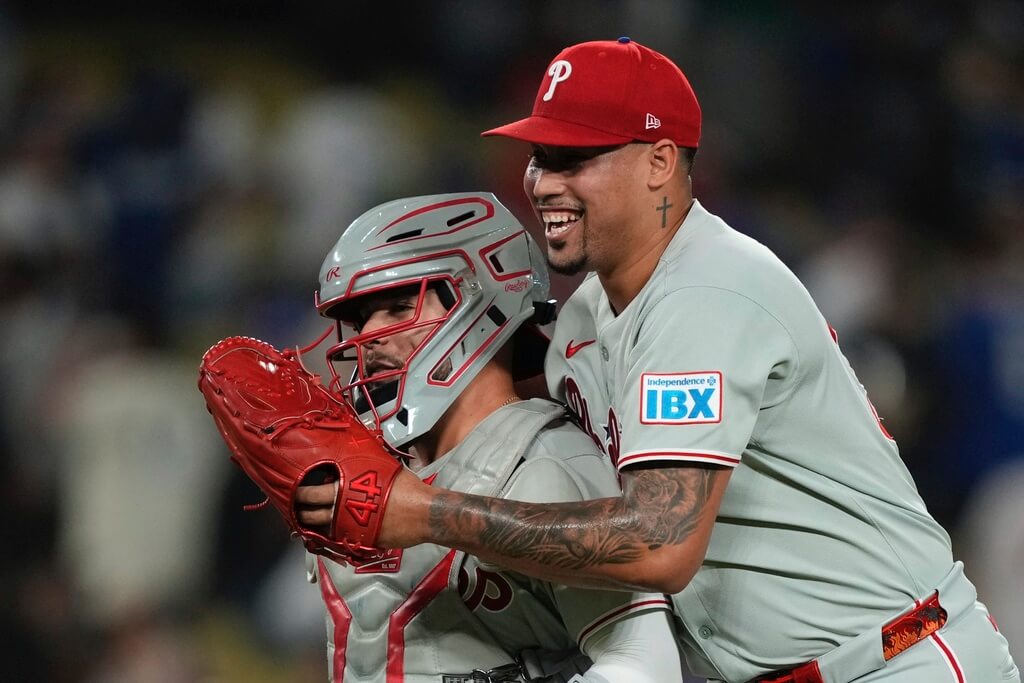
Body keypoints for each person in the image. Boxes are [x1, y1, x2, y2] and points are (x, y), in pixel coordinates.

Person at [303, 39, 1020, 682]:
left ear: (660, 162)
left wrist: (423, 511)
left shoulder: (708, 289)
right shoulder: (588, 312)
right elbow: (484, 404)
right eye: (540, 156)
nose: (544, 181)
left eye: (576, 157)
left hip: (896, 658)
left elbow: (659, 541)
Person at [296, 191, 683, 682]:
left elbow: (647, 666)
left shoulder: (546, 463)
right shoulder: (352, 464)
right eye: (358, 320)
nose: (368, 337)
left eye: (397, 307)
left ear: (480, 303)